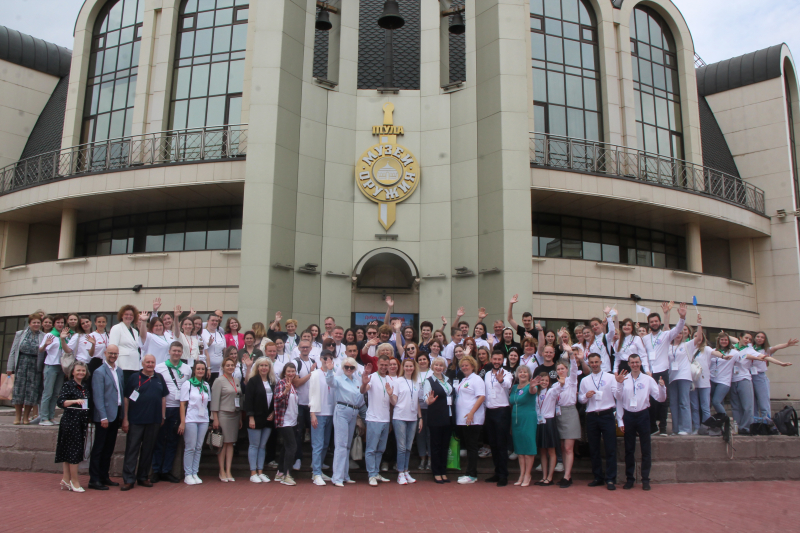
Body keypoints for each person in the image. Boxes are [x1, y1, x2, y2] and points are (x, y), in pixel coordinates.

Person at [613, 354, 666, 491]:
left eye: (637, 362)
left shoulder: (648, 379)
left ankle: (645, 479)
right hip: (628, 415)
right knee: (629, 449)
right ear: (629, 364)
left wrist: (662, 388)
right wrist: (619, 384)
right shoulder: (624, 378)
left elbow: (660, 398)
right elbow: (618, 398)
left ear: (641, 363)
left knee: (646, 448)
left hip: (643, 415)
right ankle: (629, 479)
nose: (635, 365)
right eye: (632, 362)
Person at [121, 354, 168, 491]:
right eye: (147, 362)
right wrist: (125, 418)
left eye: (152, 362)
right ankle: (129, 479)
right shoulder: (134, 377)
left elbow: (163, 398)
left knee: (148, 450)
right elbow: (126, 398)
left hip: (154, 420)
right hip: (136, 420)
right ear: (142, 363)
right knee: (132, 450)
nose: (150, 364)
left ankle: (142, 477)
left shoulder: (159, 378)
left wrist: (163, 416)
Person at [642, 302, 685, 436]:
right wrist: (646, 370)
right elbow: (644, 356)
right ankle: (653, 427)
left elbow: (678, 329)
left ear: (659, 322)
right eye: (651, 322)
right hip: (650, 373)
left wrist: (682, 317)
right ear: (649, 324)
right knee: (650, 400)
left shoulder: (666, 335)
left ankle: (663, 428)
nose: (654, 323)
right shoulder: (645, 338)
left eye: (656, 321)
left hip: (662, 371)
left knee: (663, 400)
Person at [578, 353, 619, 490]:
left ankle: (611, 478)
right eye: (592, 362)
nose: (594, 365)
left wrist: (619, 383)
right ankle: (598, 477)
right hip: (592, 416)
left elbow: (617, 395)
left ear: (601, 362)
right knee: (594, 448)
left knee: (610, 447)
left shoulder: (610, 377)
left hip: (607, 414)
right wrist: (586, 396)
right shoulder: (585, 380)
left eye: (596, 362)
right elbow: (580, 399)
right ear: (589, 363)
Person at [151, 341, 189, 483]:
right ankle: (156, 470)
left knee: (173, 440)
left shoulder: (187, 369)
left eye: (179, 351)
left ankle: (166, 470)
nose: (176, 353)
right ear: (169, 351)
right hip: (163, 408)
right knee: (159, 439)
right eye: (174, 351)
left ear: (182, 353)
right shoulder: (159, 367)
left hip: (178, 409)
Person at [88, 344, 124, 491]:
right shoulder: (99, 372)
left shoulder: (119, 371)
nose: (113, 356)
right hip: (104, 416)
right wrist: (102, 416)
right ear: (105, 353)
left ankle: (104, 476)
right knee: (99, 448)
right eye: (110, 353)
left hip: (115, 414)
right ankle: (94, 479)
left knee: (109, 448)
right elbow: (98, 396)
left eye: (115, 353)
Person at [325, 352, 363, 487]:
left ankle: (345, 475)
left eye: (351, 367)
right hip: (341, 410)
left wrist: (358, 416)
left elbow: (359, 399)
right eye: (346, 367)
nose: (349, 369)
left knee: (347, 445)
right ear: (343, 367)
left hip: (353, 411)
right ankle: (337, 477)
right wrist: (330, 370)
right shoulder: (339, 379)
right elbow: (330, 382)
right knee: (341, 445)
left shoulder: (357, 381)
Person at [55, 361, 92, 493]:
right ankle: (74, 481)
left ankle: (66, 479)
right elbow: (60, 402)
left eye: (83, 370)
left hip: (81, 421)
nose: (81, 373)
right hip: (71, 420)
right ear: (73, 372)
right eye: (78, 370)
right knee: (73, 451)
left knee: (70, 450)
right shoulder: (68, 385)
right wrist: (75, 401)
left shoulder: (85, 386)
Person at [6, 313, 45, 425]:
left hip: (35, 365)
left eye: (38, 322)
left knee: (31, 392)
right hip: (21, 364)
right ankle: (18, 416)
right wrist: (10, 367)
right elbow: (13, 350)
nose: (36, 324)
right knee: (19, 391)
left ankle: (26, 417)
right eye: (34, 322)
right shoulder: (20, 334)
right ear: (29, 323)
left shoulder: (43, 336)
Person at [388, 358, 422, 485]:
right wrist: (390, 395)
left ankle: (406, 470)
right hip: (400, 417)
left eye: (411, 366)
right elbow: (394, 402)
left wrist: (420, 417)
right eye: (406, 366)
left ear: (414, 368)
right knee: (402, 447)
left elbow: (417, 401)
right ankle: (400, 473)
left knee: (408, 447)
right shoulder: (398, 381)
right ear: (403, 367)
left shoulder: (416, 382)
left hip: (412, 418)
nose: (409, 368)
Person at [40, 315, 77, 426]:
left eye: (62, 322)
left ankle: (51, 417)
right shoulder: (50, 335)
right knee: (48, 393)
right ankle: (43, 418)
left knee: (56, 393)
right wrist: (45, 344)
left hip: (62, 367)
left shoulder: (67, 335)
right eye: (58, 322)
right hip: (51, 365)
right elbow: (41, 349)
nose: (60, 325)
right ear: (54, 324)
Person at [361, 354, 392, 486]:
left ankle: (376, 472)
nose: (384, 367)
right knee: (371, 448)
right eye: (382, 365)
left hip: (385, 419)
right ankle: (371, 475)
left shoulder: (390, 379)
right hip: (373, 418)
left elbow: (392, 400)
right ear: (377, 364)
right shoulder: (372, 377)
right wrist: (364, 384)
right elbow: (363, 391)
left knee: (381, 449)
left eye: (386, 365)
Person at [423, 356, 455, 484]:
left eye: (441, 365)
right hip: (436, 416)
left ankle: (443, 471)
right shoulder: (429, 381)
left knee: (445, 445)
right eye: (436, 365)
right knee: (436, 445)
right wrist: (429, 401)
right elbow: (426, 398)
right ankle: (436, 472)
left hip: (448, 416)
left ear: (444, 367)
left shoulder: (447, 380)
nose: (438, 367)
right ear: (432, 366)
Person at [244, 357, 276, 483]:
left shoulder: (272, 382)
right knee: (254, 445)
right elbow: (248, 401)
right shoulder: (253, 381)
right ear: (257, 367)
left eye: (266, 365)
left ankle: (260, 471)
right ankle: (253, 473)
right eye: (261, 365)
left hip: (267, 418)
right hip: (255, 418)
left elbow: (275, 400)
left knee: (262, 446)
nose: (264, 368)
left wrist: (273, 413)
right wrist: (251, 417)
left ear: (269, 368)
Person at [454, 354, 486, 484]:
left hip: (472, 419)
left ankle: (472, 475)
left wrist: (472, 412)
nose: (464, 367)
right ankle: (468, 472)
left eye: (466, 365)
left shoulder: (476, 379)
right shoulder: (464, 380)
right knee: (468, 446)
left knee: (472, 447)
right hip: (463, 419)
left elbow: (481, 396)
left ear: (473, 366)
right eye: (462, 366)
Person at [749, 332, 796, 420]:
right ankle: (755, 422)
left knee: (763, 401)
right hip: (749, 376)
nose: (759, 338)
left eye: (762, 337)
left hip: (760, 376)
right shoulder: (750, 348)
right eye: (758, 336)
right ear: (754, 338)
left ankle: (767, 421)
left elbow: (776, 347)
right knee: (752, 402)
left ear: (765, 340)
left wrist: (787, 344)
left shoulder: (766, 350)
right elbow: (737, 341)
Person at [483, 351, 513, 486]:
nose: (496, 361)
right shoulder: (487, 374)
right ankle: (497, 472)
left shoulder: (507, 373)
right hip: (489, 411)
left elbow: (508, 385)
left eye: (499, 359)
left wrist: (501, 380)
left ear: (503, 360)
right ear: (491, 359)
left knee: (501, 444)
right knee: (493, 444)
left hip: (502, 411)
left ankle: (503, 475)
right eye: (494, 359)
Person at [178, 361, 210, 485]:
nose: (200, 371)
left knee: (198, 447)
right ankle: (188, 474)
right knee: (190, 447)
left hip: (203, 419)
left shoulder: (206, 385)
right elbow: (182, 404)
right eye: (198, 369)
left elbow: (207, 402)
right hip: (191, 419)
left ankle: (195, 472)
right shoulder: (188, 384)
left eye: (202, 369)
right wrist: (183, 422)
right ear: (194, 370)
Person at [211, 357, 242, 482]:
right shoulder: (219, 381)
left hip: (235, 414)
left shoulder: (236, 380)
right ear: (223, 367)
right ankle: (221, 470)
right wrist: (215, 418)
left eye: (232, 365)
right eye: (227, 365)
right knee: (223, 443)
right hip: (223, 414)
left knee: (231, 443)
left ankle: (228, 470)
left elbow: (239, 398)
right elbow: (214, 400)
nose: (230, 367)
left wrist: (240, 417)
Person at [554, 345, 582, 487]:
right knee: (562, 447)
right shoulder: (555, 385)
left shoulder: (572, 380)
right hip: (559, 414)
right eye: (558, 369)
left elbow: (575, 368)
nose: (561, 371)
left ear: (567, 369)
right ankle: (567, 474)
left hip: (570, 413)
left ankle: (567, 476)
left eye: (563, 368)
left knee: (568, 447)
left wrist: (570, 353)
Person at [309, 350, 337, 486]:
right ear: (320, 359)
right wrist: (312, 413)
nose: (327, 361)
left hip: (331, 413)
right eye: (325, 358)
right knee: (318, 444)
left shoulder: (335, 374)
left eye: (330, 358)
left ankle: (318, 470)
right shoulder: (315, 374)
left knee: (325, 444)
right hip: (319, 413)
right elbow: (312, 394)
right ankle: (316, 473)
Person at [666, 304, 694, 435]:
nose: (678, 335)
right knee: (673, 404)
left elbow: (699, 338)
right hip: (672, 377)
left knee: (684, 402)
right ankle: (676, 429)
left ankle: (686, 428)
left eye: (681, 333)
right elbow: (666, 329)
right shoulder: (668, 346)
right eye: (676, 333)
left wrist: (698, 323)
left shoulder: (687, 345)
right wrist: (666, 314)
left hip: (684, 376)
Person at [509, 365, 539, 486]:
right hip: (516, 420)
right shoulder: (514, 387)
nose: (522, 374)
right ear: (517, 375)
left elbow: (533, 391)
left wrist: (532, 386)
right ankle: (521, 474)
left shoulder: (531, 386)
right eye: (520, 372)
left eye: (525, 372)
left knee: (528, 446)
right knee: (520, 449)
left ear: (529, 375)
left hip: (528, 419)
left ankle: (528, 474)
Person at [291, 339, 317, 470]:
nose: (305, 349)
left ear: (311, 348)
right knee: (298, 433)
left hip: (312, 404)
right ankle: (298, 459)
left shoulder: (314, 362)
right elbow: (296, 383)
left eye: (307, 347)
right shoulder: (295, 362)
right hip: (299, 403)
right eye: (303, 347)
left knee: (315, 434)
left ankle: (315, 461)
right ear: (299, 349)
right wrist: (311, 374)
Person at [534, 371, 560, 486]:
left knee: (551, 450)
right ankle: (544, 476)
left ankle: (550, 477)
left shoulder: (551, 391)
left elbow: (559, 388)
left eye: (546, 380)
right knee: (542, 451)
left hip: (549, 422)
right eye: (542, 380)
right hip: (539, 422)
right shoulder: (536, 392)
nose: (544, 382)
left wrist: (561, 382)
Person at [274, 363, 299, 486]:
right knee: (292, 447)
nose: (291, 373)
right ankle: (287, 475)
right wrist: (285, 391)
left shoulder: (293, 385)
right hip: (284, 421)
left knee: (286, 446)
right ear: (284, 372)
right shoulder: (281, 383)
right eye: (289, 371)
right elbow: (277, 398)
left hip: (292, 420)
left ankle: (280, 472)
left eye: (293, 371)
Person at [109, 305, 141, 382]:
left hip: (135, 365)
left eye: (131, 315)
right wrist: (114, 365)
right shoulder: (116, 328)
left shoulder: (135, 331)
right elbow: (113, 346)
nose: (128, 316)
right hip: (123, 365)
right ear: (122, 316)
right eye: (126, 314)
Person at [709, 333, 737, 416]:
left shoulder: (733, 352)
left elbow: (743, 355)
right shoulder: (713, 351)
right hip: (712, 379)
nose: (724, 341)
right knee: (720, 402)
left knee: (716, 401)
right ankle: (722, 422)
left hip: (724, 381)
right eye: (722, 340)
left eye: (726, 340)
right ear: (718, 341)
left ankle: (725, 419)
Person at [415, 352, 432, 470]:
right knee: (420, 434)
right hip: (417, 408)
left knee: (430, 434)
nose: (422, 361)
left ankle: (430, 459)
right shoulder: (414, 374)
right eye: (420, 360)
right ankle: (422, 459)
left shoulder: (432, 373)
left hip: (431, 408)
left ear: (428, 361)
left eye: (424, 359)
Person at [202, 313, 224, 385]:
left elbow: (224, 351)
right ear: (208, 321)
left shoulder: (220, 335)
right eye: (212, 320)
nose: (214, 322)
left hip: (219, 370)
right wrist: (208, 344)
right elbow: (200, 350)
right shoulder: (202, 333)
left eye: (216, 321)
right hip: (207, 369)